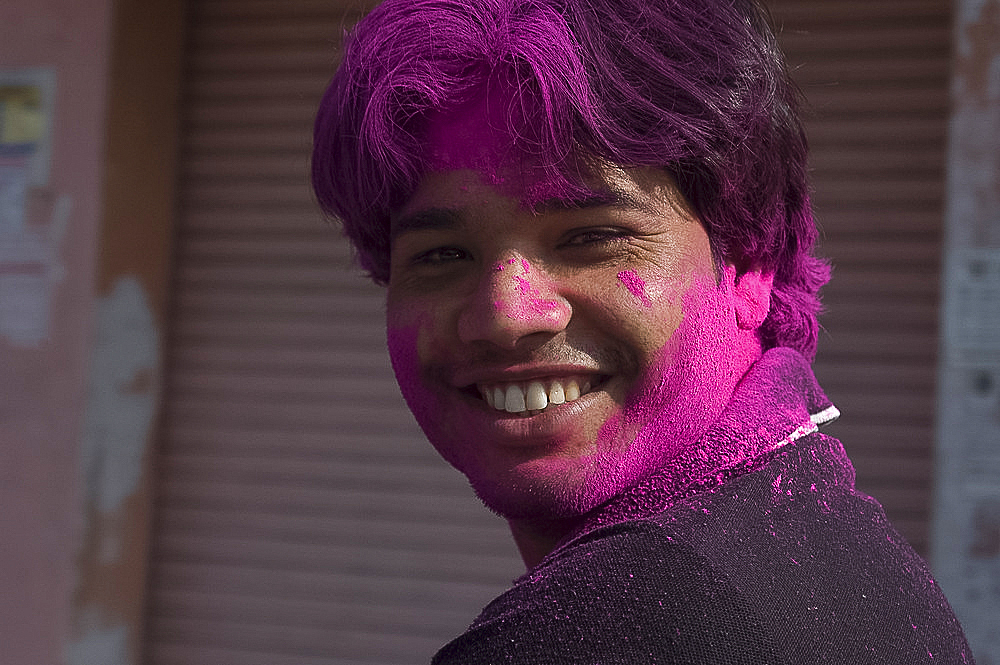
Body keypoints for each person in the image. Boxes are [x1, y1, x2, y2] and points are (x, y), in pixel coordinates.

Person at [311, 0, 974, 662]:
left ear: (750, 262)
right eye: (442, 255)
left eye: (591, 237)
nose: (503, 316)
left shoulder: (587, 634)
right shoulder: (835, 546)